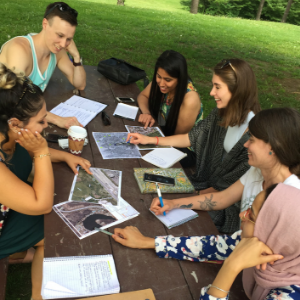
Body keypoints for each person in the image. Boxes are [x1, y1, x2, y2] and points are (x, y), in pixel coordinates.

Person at [128, 58, 261, 231]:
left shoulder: (255, 135)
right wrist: (151, 140)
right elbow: (192, 137)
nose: (212, 92)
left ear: (237, 90)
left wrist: (186, 196)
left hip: (226, 209)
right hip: (204, 186)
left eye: (217, 87)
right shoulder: (221, 113)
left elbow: (229, 193)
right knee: (144, 180)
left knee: (163, 215)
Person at [112, 183, 300, 300]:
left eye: (252, 214)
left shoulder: (290, 294)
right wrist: (148, 242)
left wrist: (231, 266)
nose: (242, 214)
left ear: (279, 234)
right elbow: (212, 246)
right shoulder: (274, 250)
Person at [0, 64, 91, 300]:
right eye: (41, 122)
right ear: (14, 124)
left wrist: (65, 155)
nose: (47, 126)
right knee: (53, 228)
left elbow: (26, 154)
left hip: (8, 213)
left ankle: (29, 273)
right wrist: (42, 152)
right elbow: (41, 204)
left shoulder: (8, 137)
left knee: (57, 223)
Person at [148, 107, 300, 233]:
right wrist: (173, 204)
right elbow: (222, 198)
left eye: (252, 140)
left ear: (273, 147)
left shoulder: (291, 197)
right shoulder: (257, 171)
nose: (245, 144)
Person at [0, 2, 86, 129]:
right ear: (45, 24)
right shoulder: (20, 50)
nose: (63, 44)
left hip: (26, 119)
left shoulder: (57, 52)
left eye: (69, 39)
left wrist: (76, 57)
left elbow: (80, 84)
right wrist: (58, 120)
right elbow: (15, 102)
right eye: (60, 35)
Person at [137, 50, 203, 136]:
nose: (161, 84)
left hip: (182, 146)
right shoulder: (161, 81)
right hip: (162, 134)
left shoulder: (190, 100)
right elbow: (142, 96)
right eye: (158, 76)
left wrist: (151, 138)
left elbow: (178, 137)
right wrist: (146, 113)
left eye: (168, 80)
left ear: (180, 79)